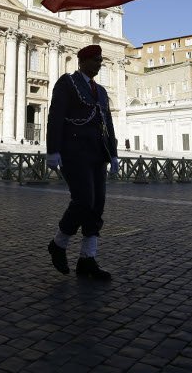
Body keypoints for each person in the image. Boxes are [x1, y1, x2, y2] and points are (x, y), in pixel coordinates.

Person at [46, 44, 118, 281]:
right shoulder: (67, 83)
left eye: (100, 60)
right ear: (83, 61)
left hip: (98, 153)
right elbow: (55, 116)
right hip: (74, 152)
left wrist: (114, 153)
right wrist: (53, 150)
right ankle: (59, 243)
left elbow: (108, 123)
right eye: (96, 60)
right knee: (83, 199)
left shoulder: (102, 92)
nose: (99, 63)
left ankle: (88, 258)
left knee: (97, 204)